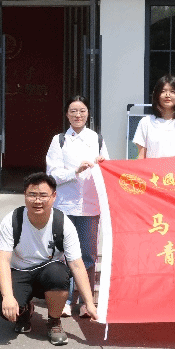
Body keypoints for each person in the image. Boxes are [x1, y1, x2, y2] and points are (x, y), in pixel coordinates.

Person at [0, 172, 98, 345]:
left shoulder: (63, 223)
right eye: (32, 195)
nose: (37, 200)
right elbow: (3, 261)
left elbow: (77, 265)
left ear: (54, 196)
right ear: (24, 195)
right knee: (0, 303)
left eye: (43, 195)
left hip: (49, 273)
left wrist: (90, 303)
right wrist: (8, 296)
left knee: (58, 273)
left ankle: (54, 322)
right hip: (19, 271)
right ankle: (24, 311)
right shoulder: (11, 220)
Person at [45, 95, 109, 318]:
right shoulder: (59, 140)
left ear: (88, 113)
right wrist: (75, 171)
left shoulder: (97, 139)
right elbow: (52, 174)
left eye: (82, 111)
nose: (78, 115)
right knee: (64, 254)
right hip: (65, 206)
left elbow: (108, 170)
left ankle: (85, 301)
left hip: (90, 207)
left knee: (88, 255)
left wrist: (102, 165)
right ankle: (65, 299)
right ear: (67, 114)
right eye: (73, 111)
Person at [133, 75, 175, 159]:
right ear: (157, 95)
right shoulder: (145, 122)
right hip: (154, 168)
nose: (167, 95)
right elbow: (141, 157)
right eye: (163, 91)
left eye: (172, 91)